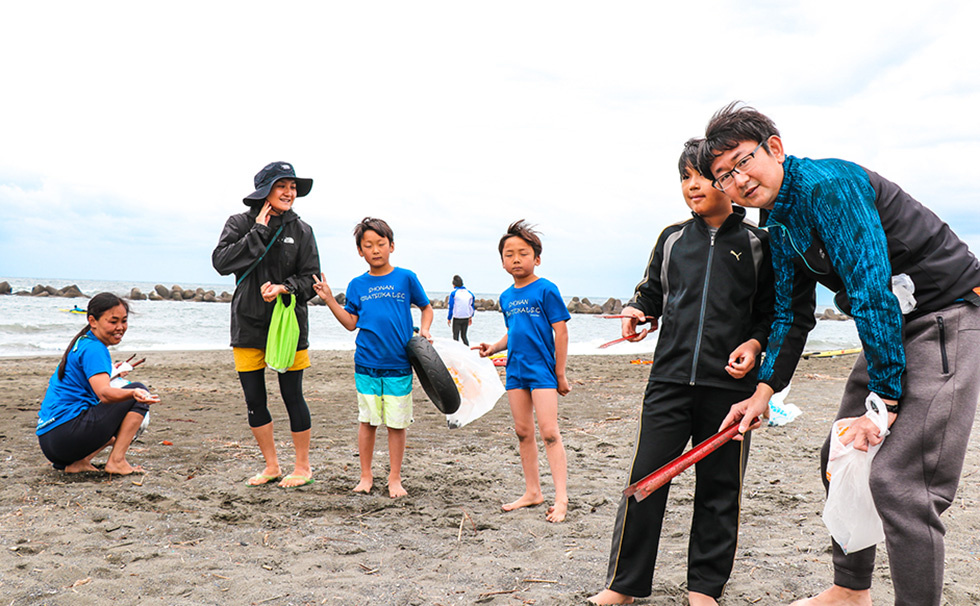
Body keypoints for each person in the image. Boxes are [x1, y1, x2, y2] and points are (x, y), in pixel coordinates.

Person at [700, 102, 980, 606]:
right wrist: (765, 390)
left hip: (948, 314)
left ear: (775, 148)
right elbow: (790, 313)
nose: (737, 180)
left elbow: (871, 288)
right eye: (724, 175)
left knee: (900, 484)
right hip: (894, 323)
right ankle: (851, 590)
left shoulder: (829, 186)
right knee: (840, 451)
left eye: (743, 161)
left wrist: (884, 403)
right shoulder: (778, 218)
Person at [588, 140, 774, 606]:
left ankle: (704, 590)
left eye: (703, 175)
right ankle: (623, 586)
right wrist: (636, 311)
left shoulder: (758, 243)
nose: (693, 185)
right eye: (684, 177)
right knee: (644, 480)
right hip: (668, 381)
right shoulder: (671, 238)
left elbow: (769, 316)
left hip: (729, 389)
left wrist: (754, 346)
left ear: (727, 179)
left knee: (720, 489)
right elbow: (652, 292)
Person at [212, 161, 321, 489]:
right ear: (264, 191)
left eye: (292, 187)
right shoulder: (239, 223)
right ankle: (271, 466)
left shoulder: (302, 231)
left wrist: (284, 287)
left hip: (288, 326)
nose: (289, 192)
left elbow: (311, 279)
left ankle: (302, 467)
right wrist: (258, 232)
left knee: (292, 395)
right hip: (248, 324)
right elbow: (221, 262)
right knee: (254, 400)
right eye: (281, 186)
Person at [312, 217, 433, 498]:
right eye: (368, 245)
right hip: (366, 363)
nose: (375, 250)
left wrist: (425, 330)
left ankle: (394, 478)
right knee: (367, 422)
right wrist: (329, 300)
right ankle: (365, 475)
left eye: (381, 243)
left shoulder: (406, 277)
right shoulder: (357, 284)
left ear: (392, 246)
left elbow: (426, 308)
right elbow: (350, 323)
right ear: (360, 251)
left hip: (399, 364)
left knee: (396, 424)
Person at [475, 220, 571, 523]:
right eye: (509, 254)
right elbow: (514, 331)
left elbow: (561, 331)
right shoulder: (506, 297)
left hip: (542, 370)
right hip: (515, 370)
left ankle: (561, 498)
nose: (516, 259)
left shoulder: (546, 289)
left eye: (523, 253)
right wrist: (494, 347)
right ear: (502, 262)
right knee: (523, 432)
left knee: (550, 433)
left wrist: (560, 374)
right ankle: (532, 492)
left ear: (537, 259)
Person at [37, 293, 160, 475]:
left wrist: (113, 373)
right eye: (113, 321)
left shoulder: (82, 342)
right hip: (66, 435)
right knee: (139, 390)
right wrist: (133, 393)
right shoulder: (95, 348)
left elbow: (89, 385)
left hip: (50, 441)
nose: (120, 327)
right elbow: (104, 394)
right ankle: (117, 461)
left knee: (114, 433)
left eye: (124, 321)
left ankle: (80, 462)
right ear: (93, 321)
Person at [447, 274, 475, 345]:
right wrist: (471, 317)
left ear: (454, 285)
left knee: (455, 337)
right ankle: (468, 349)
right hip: (466, 317)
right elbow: (471, 306)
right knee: (464, 336)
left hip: (457, 318)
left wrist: (449, 318)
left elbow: (451, 306)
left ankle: (455, 350)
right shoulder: (470, 293)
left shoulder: (453, 293)